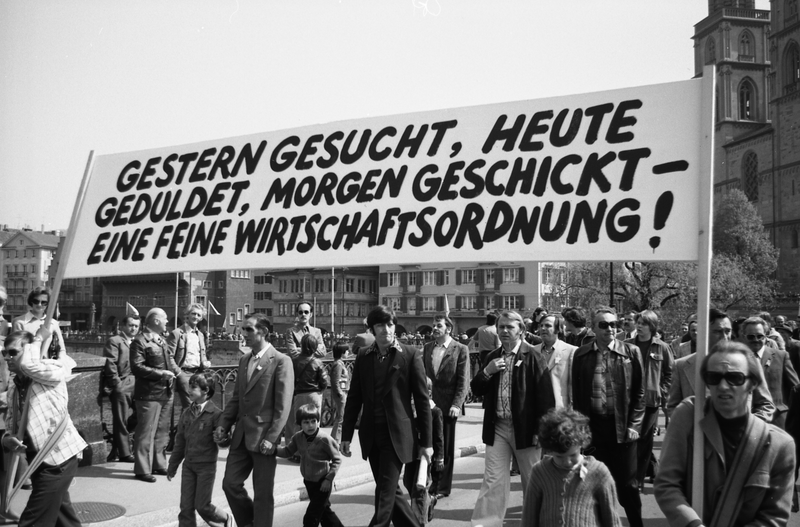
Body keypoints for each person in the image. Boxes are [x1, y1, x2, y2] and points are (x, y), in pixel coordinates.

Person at [654, 341, 796, 526]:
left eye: (734, 378)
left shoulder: (780, 445)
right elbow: (667, 483)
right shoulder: (689, 417)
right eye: (714, 377)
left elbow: (773, 517)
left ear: (752, 383)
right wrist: (692, 523)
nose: (722, 386)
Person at [341, 305, 432, 527]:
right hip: (372, 435)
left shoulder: (410, 355)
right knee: (391, 492)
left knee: (384, 495)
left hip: (398, 436)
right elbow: (354, 398)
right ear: (372, 328)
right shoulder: (363, 356)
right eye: (380, 325)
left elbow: (422, 401)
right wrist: (345, 436)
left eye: (390, 324)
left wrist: (427, 442)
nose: (386, 329)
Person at [470, 310, 555, 527]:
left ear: (521, 331)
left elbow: (546, 398)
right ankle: (486, 523)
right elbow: (476, 389)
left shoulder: (534, 356)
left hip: (526, 429)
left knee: (532, 480)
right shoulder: (492, 357)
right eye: (501, 327)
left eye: (510, 327)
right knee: (493, 480)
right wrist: (487, 371)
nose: (505, 331)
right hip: (497, 427)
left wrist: (541, 430)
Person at [2, 329, 87, 527]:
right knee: (64, 517)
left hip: (59, 459)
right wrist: (6, 438)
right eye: (4, 353)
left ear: (30, 351)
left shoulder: (52, 369)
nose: (7, 357)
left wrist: (38, 339)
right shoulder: (15, 385)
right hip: (36, 460)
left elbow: (30, 365)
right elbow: (10, 423)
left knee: (33, 520)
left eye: (13, 352)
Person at [215, 313, 293, 527]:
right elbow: (237, 398)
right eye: (243, 329)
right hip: (241, 436)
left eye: (248, 329)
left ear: (264, 332)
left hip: (264, 440)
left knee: (263, 494)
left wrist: (273, 437)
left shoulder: (280, 361)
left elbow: (283, 406)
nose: (243, 334)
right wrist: (224, 424)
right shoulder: (244, 360)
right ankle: (250, 522)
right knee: (230, 484)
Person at [571, 307, 645, 527]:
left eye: (614, 324)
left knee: (627, 486)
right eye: (603, 325)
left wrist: (634, 425)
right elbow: (577, 394)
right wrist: (580, 431)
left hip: (622, 428)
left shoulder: (631, 352)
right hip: (595, 428)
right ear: (594, 328)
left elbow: (640, 393)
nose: (610, 329)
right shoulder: (581, 354)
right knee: (596, 484)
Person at [668, 309, 775, 422]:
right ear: (704, 332)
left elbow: (765, 405)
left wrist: (748, 429)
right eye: (718, 331)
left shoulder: (749, 362)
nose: (724, 337)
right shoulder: (682, 366)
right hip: (698, 436)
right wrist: (689, 431)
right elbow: (673, 406)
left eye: (727, 331)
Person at [520, 408, 621, 527]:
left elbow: (612, 521)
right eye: (559, 457)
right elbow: (529, 519)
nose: (567, 462)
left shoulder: (599, 473)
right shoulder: (540, 472)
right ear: (550, 451)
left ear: (581, 444)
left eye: (573, 455)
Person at [166, 372, 231, 527]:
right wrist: (172, 466)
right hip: (188, 466)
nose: (189, 390)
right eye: (189, 386)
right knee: (186, 507)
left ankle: (226, 520)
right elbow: (180, 443)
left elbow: (224, 441)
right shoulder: (187, 413)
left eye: (193, 387)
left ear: (205, 391)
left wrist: (223, 438)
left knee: (202, 505)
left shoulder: (216, 414)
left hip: (206, 467)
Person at [422, 313, 469, 499]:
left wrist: (457, 404)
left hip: (448, 405)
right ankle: (427, 481)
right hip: (429, 405)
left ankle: (441, 486)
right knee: (428, 443)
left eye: (438, 325)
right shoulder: (427, 348)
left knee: (445, 447)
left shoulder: (460, 349)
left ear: (448, 329)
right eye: (433, 325)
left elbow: (464, 380)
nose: (434, 328)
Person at [131, 307, 181, 482]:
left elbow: (170, 361)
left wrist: (179, 374)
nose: (168, 321)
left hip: (165, 391)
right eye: (165, 318)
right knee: (146, 431)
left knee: (162, 430)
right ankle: (142, 469)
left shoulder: (161, 340)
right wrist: (161, 374)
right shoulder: (139, 341)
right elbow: (136, 367)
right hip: (149, 394)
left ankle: (158, 464)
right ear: (156, 321)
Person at [626, 309, 673, 489]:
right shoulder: (627, 345)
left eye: (643, 323)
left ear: (652, 326)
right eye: (638, 322)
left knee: (644, 441)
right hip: (630, 400)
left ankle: (638, 480)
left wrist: (661, 391)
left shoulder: (662, 347)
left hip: (651, 402)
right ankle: (629, 476)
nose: (639, 326)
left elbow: (669, 373)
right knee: (629, 439)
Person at [276, 403, 343, 527]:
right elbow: (287, 451)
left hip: (323, 483)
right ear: (300, 424)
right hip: (309, 482)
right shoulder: (298, 438)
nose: (310, 425)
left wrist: (328, 479)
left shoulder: (324, 439)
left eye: (314, 421)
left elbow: (337, 460)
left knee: (311, 517)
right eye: (306, 422)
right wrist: (274, 450)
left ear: (318, 421)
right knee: (324, 513)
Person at [740, 316, 799, 430]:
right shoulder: (737, 358)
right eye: (751, 336)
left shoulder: (780, 356)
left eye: (760, 336)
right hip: (748, 421)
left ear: (766, 336)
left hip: (777, 420)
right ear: (743, 337)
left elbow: (795, 388)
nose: (756, 339)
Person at [402, 377, 444, 525]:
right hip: (413, 454)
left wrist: (439, 458)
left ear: (429, 392)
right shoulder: (413, 411)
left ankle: (418, 521)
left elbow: (438, 438)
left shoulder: (435, 412)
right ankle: (430, 500)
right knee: (407, 481)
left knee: (419, 489)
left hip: (426, 457)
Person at [103, 314, 140, 463]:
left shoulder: (138, 342)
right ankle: (124, 453)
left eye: (136, 326)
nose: (133, 328)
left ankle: (124, 437)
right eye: (131, 325)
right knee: (121, 419)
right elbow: (110, 363)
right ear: (123, 326)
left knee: (142, 413)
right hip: (122, 383)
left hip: (138, 383)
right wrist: (117, 383)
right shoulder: (115, 341)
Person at [286, 334, 330, 454]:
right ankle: (314, 451)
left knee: (299, 423)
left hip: (299, 395)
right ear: (315, 347)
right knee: (314, 423)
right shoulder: (317, 362)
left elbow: (290, 379)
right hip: (314, 394)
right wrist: (321, 390)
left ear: (302, 346)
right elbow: (324, 381)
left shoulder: (294, 361)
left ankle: (296, 453)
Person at [168, 303, 211, 410]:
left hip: (198, 374)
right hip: (184, 374)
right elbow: (169, 356)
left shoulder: (200, 335)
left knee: (199, 404)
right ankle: (188, 426)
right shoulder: (177, 333)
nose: (195, 317)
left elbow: (202, 354)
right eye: (193, 314)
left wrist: (205, 362)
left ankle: (190, 425)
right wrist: (178, 372)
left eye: (198, 315)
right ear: (188, 315)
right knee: (190, 405)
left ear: (201, 318)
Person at [533, 314, 577, 409]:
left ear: (558, 329)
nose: (543, 328)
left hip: (561, 409)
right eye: (541, 326)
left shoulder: (571, 351)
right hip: (537, 408)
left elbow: (574, 385)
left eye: (548, 325)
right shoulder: (532, 351)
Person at [12, 287, 64, 360]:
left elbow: (62, 349)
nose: (39, 304)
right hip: (27, 364)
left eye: (43, 302)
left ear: (48, 304)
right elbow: (16, 348)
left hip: (48, 366)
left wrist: (59, 364)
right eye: (36, 301)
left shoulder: (53, 323)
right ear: (31, 301)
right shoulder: (19, 322)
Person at [329, 341, 350, 443]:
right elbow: (335, 381)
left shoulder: (339, 363)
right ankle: (335, 440)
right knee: (340, 418)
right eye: (346, 351)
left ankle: (335, 439)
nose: (348, 353)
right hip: (341, 394)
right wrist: (340, 393)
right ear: (342, 352)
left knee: (340, 417)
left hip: (342, 393)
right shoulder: (338, 364)